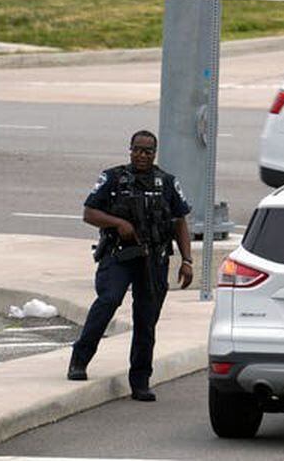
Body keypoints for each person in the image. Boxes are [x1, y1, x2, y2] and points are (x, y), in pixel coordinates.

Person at [67, 130, 193, 400]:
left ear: (154, 154)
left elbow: (180, 221)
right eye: (137, 149)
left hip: (153, 259)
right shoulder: (113, 178)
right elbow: (89, 213)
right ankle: (80, 358)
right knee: (108, 301)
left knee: (146, 319)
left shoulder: (167, 182)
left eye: (147, 151)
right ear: (130, 150)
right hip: (120, 255)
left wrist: (187, 260)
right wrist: (118, 223)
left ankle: (140, 380)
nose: (141, 155)